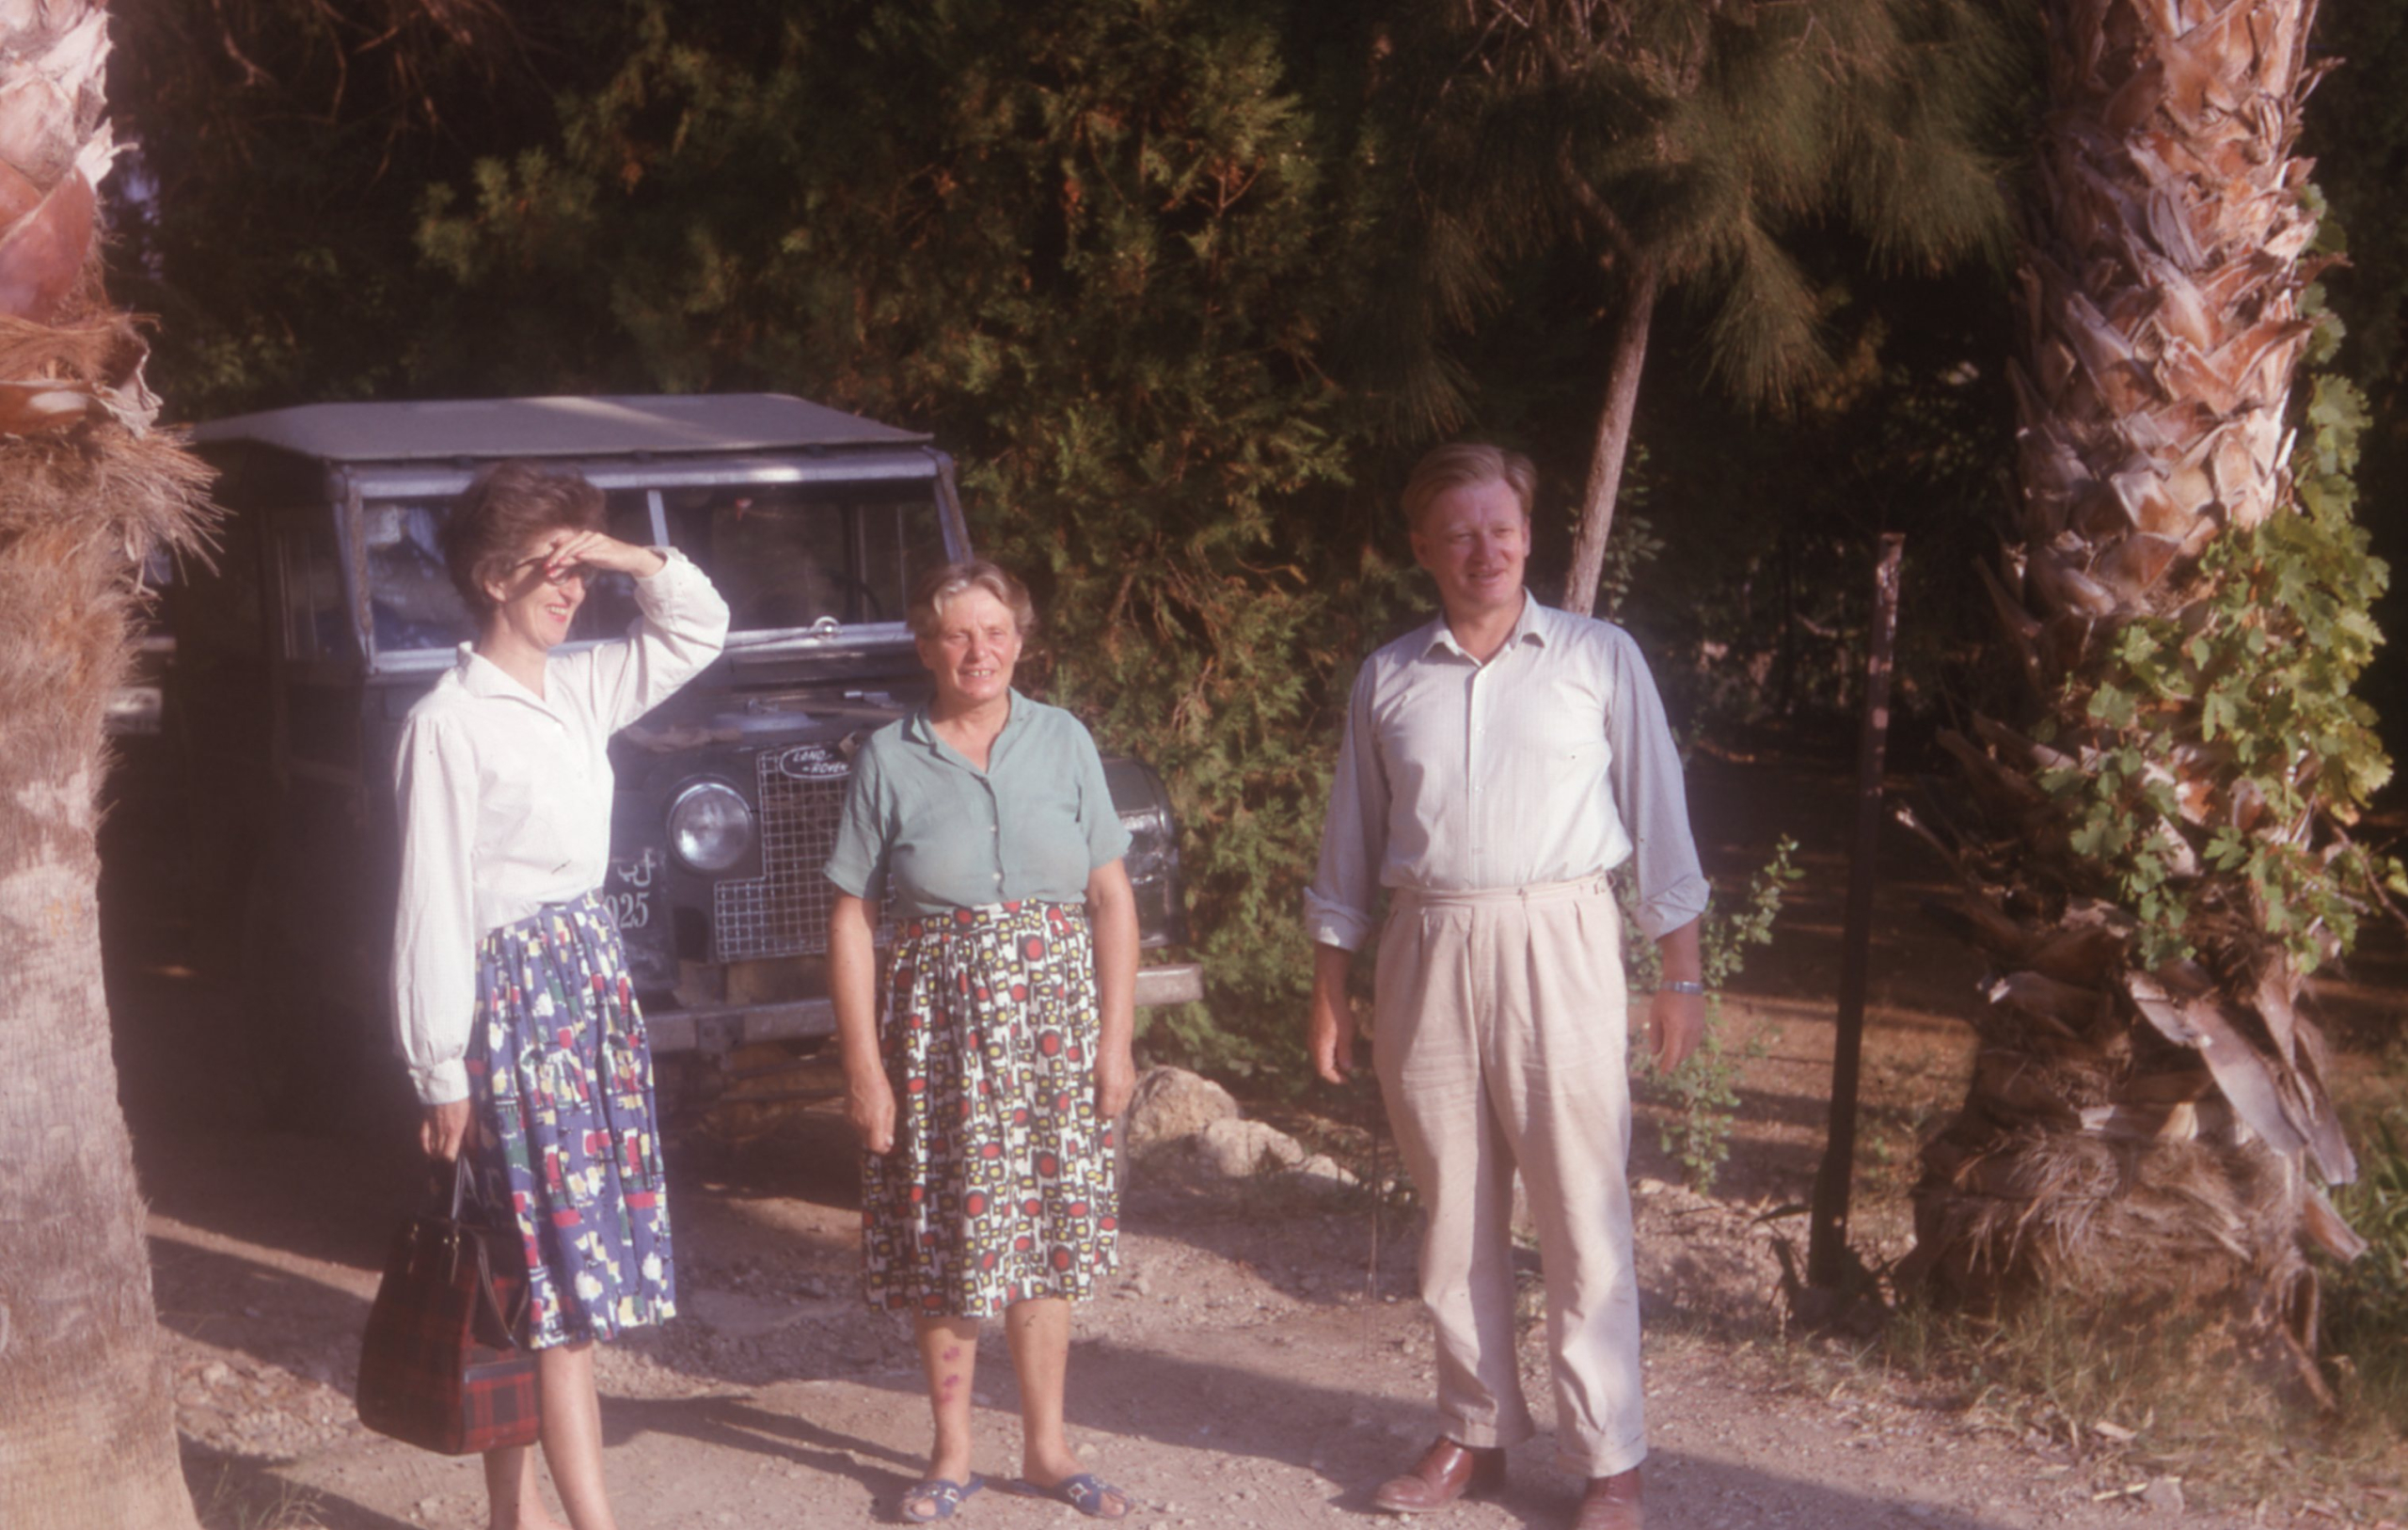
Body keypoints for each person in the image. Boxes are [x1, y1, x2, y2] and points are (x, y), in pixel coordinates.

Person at [1305, 444, 1709, 1530]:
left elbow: (1659, 812)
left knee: (1581, 1203)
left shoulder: (1597, 657)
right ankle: (1472, 1430)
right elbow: (1351, 839)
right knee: (1453, 1206)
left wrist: (1679, 971)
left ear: (1528, 537)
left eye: (1500, 529)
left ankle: (1609, 1460)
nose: (1483, 550)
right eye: (1459, 533)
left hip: (1560, 933)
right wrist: (1331, 982)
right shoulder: (1389, 676)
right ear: (1423, 548)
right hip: (1427, 940)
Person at [393, 461, 729, 1530]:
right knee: (557, 1280)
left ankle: (514, 1513)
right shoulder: (448, 721)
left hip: (588, 987)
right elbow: (432, 903)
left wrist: (624, 554)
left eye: (581, 570)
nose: (574, 590)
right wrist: (439, 1068)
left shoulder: (582, 684)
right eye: (553, 568)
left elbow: (699, 628)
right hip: (512, 1004)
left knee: (534, 1262)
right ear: (494, 578)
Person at [826, 560, 1140, 1524]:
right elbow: (850, 917)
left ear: (1020, 639)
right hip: (938, 1034)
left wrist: (1116, 1042)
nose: (979, 651)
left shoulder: (1064, 738)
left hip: (1053, 1028)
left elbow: (1110, 897)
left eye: (995, 631)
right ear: (926, 647)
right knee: (948, 1234)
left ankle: (1047, 1448)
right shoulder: (889, 757)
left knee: (1044, 1230)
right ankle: (952, 1452)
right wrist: (863, 1066)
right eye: (957, 633)